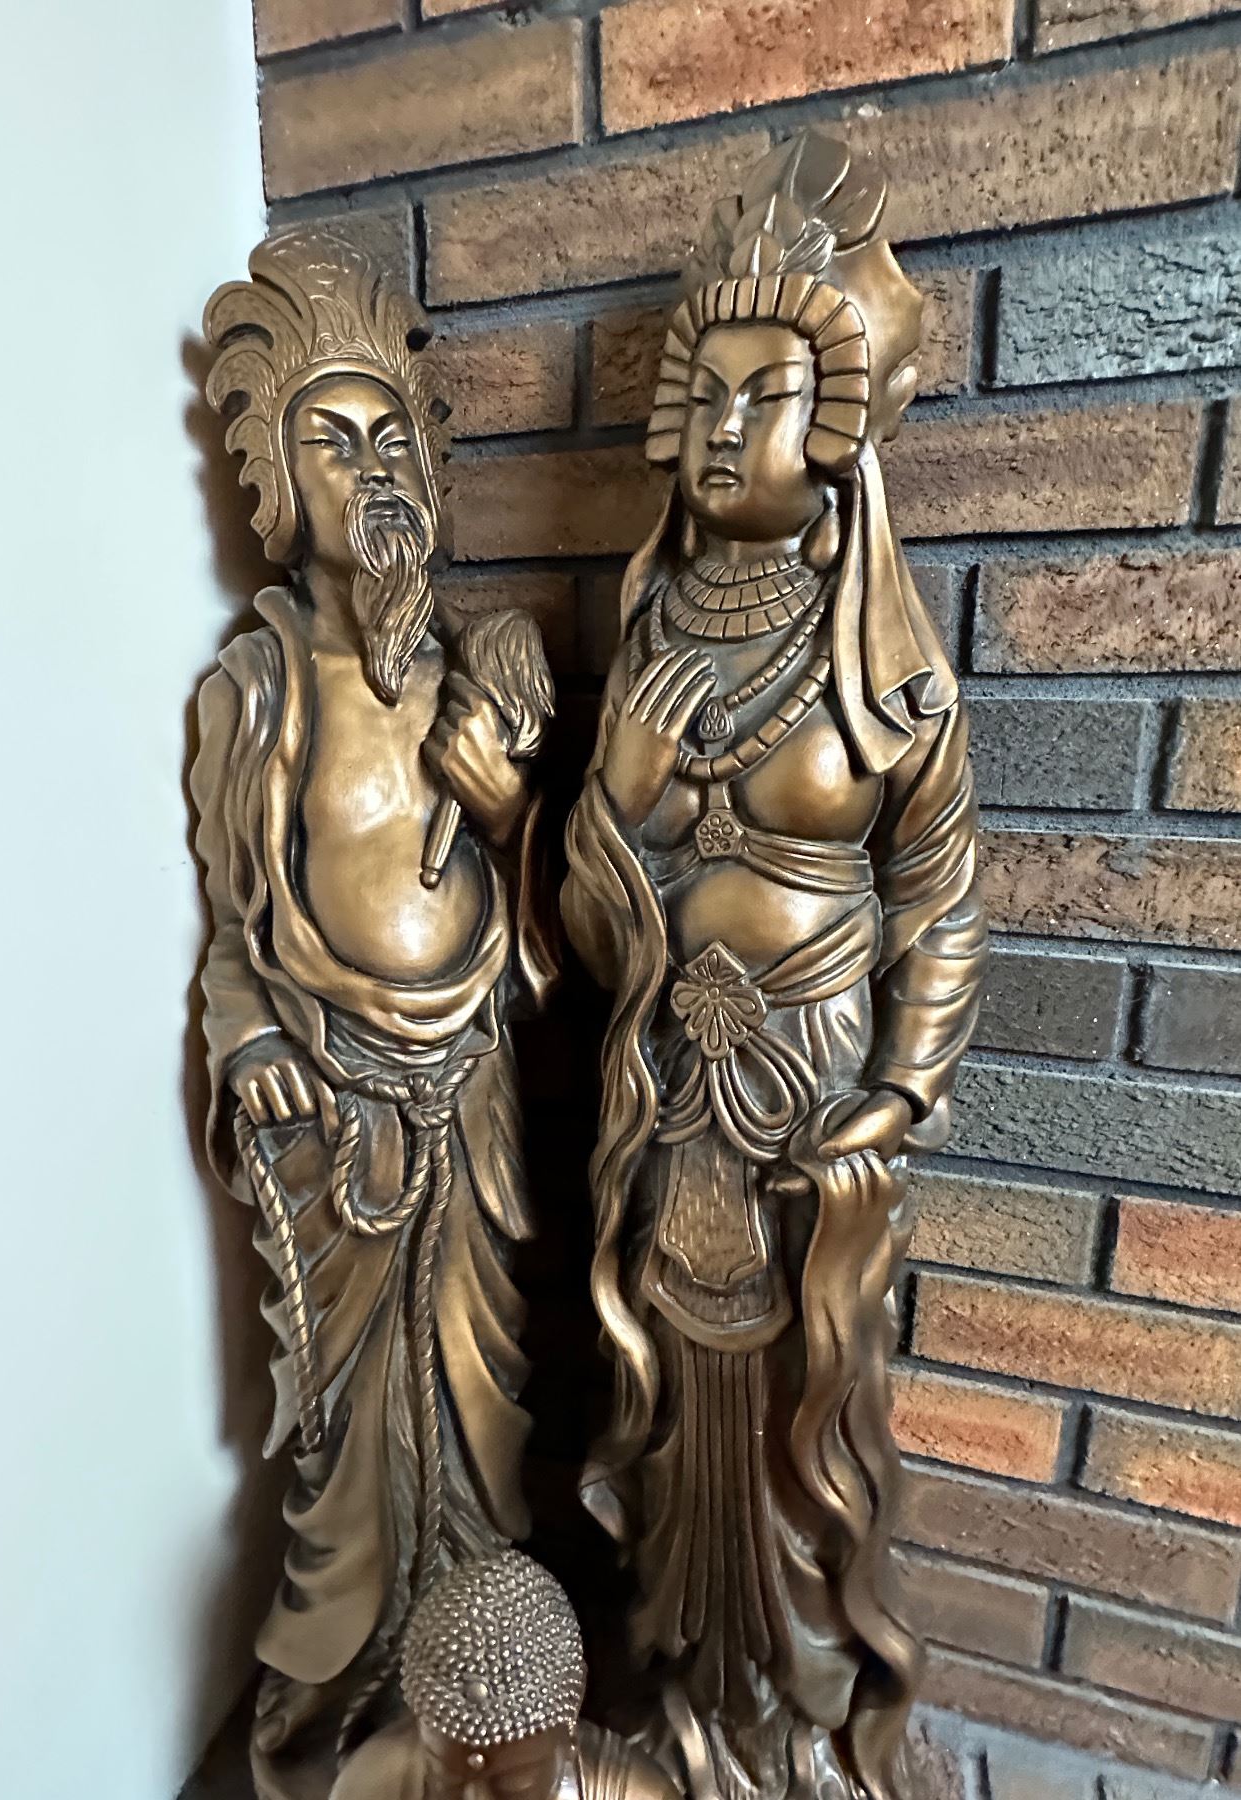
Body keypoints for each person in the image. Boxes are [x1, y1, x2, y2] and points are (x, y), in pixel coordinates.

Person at [562, 131, 988, 1800]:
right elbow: (587, 925)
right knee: (681, 1403)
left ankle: (803, 1728)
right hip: (671, 1084)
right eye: (709, 397)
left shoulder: (883, 663)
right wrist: (619, 803)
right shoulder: (651, 636)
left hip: (812, 1091)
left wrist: (899, 1090)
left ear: (840, 426)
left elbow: (939, 888)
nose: (729, 429)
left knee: (802, 1421)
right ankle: (692, 1704)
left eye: (770, 396)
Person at [193, 228, 555, 1800]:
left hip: (467, 1078)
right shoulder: (259, 692)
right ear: (277, 483)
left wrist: (509, 810)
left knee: (477, 1396)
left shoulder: (475, 668)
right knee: (347, 1438)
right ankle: (345, 1685)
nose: (373, 473)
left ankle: (479, 1681)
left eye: (392, 438)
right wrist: (252, 1039)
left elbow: (551, 901)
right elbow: (232, 930)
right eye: (331, 442)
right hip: (331, 1098)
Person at [331, 1552, 679, 1800]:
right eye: (447, 1778)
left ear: (569, 1720)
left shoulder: (634, 1793)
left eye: (514, 1784)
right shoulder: (375, 1783)